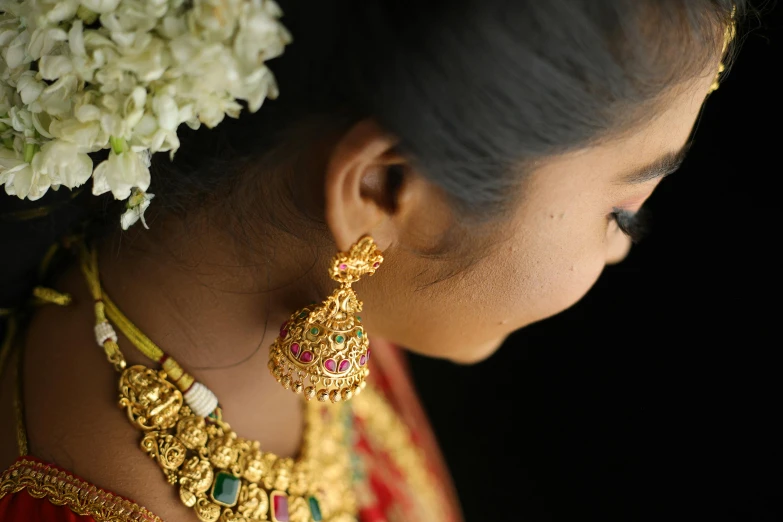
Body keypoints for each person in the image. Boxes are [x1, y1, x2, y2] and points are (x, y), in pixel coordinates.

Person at [0, 1, 744, 520]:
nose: (619, 247)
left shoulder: (334, 306)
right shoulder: (75, 498)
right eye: (622, 210)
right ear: (384, 187)